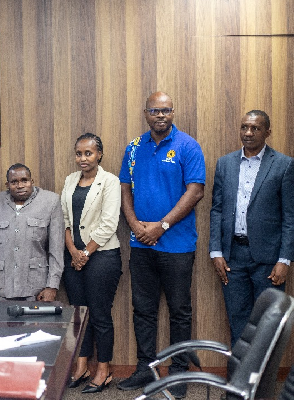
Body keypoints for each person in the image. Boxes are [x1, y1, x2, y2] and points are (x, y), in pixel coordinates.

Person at [117, 92, 205, 398]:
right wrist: (134, 224)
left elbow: (195, 192)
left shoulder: (188, 146)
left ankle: (179, 372)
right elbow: (125, 189)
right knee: (143, 310)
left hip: (177, 246)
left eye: (166, 110)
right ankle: (146, 368)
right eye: (155, 110)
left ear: (172, 112)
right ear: (145, 113)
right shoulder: (134, 147)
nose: (161, 115)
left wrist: (161, 226)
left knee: (179, 310)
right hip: (141, 245)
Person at [210, 110, 294, 347]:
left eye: (255, 128)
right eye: (244, 127)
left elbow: (290, 216)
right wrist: (216, 252)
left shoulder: (284, 165)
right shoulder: (225, 164)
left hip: (268, 261)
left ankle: (260, 383)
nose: (248, 133)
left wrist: (284, 260)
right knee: (238, 322)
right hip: (232, 257)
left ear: (268, 132)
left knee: (268, 324)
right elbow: (216, 209)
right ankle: (237, 381)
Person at [61, 133, 122, 393]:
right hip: (73, 256)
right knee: (79, 315)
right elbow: (65, 220)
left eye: (88, 153)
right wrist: (73, 251)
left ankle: (103, 370)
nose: (83, 158)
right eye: (79, 153)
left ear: (99, 155)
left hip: (102, 257)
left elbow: (109, 223)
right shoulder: (70, 180)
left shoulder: (110, 181)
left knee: (99, 315)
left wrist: (84, 253)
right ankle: (82, 365)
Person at [0, 163, 63, 301]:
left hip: (36, 288)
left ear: (32, 181)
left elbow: (56, 250)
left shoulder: (50, 202)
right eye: (14, 182)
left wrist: (52, 286)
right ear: (7, 184)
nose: (20, 185)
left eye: (24, 180)